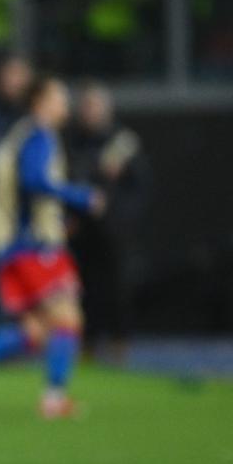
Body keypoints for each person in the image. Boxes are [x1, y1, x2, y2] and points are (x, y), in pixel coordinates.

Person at [0, 76, 106, 418]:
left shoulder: (18, 135)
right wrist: (81, 197)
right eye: (60, 97)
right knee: (68, 318)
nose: (66, 104)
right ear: (41, 102)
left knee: (35, 330)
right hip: (34, 244)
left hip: (11, 244)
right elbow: (34, 180)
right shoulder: (39, 135)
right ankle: (54, 398)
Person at [67, 81, 148, 358]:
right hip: (83, 229)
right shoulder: (74, 142)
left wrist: (122, 218)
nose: (90, 112)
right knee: (83, 287)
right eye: (86, 106)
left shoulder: (122, 141)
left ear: (107, 109)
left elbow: (139, 187)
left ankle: (119, 341)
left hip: (114, 229)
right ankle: (87, 341)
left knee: (117, 287)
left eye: (95, 106)